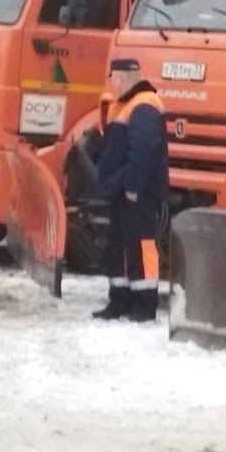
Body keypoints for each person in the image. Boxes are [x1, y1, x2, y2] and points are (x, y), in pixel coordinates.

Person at [91, 57, 170, 322]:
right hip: (121, 188)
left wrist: (133, 187)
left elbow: (144, 150)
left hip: (137, 191)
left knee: (140, 245)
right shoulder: (127, 105)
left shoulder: (143, 105)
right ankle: (120, 300)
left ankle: (144, 304)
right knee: (119, 246)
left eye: (113, 79)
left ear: (121, 78)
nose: (111, 85)